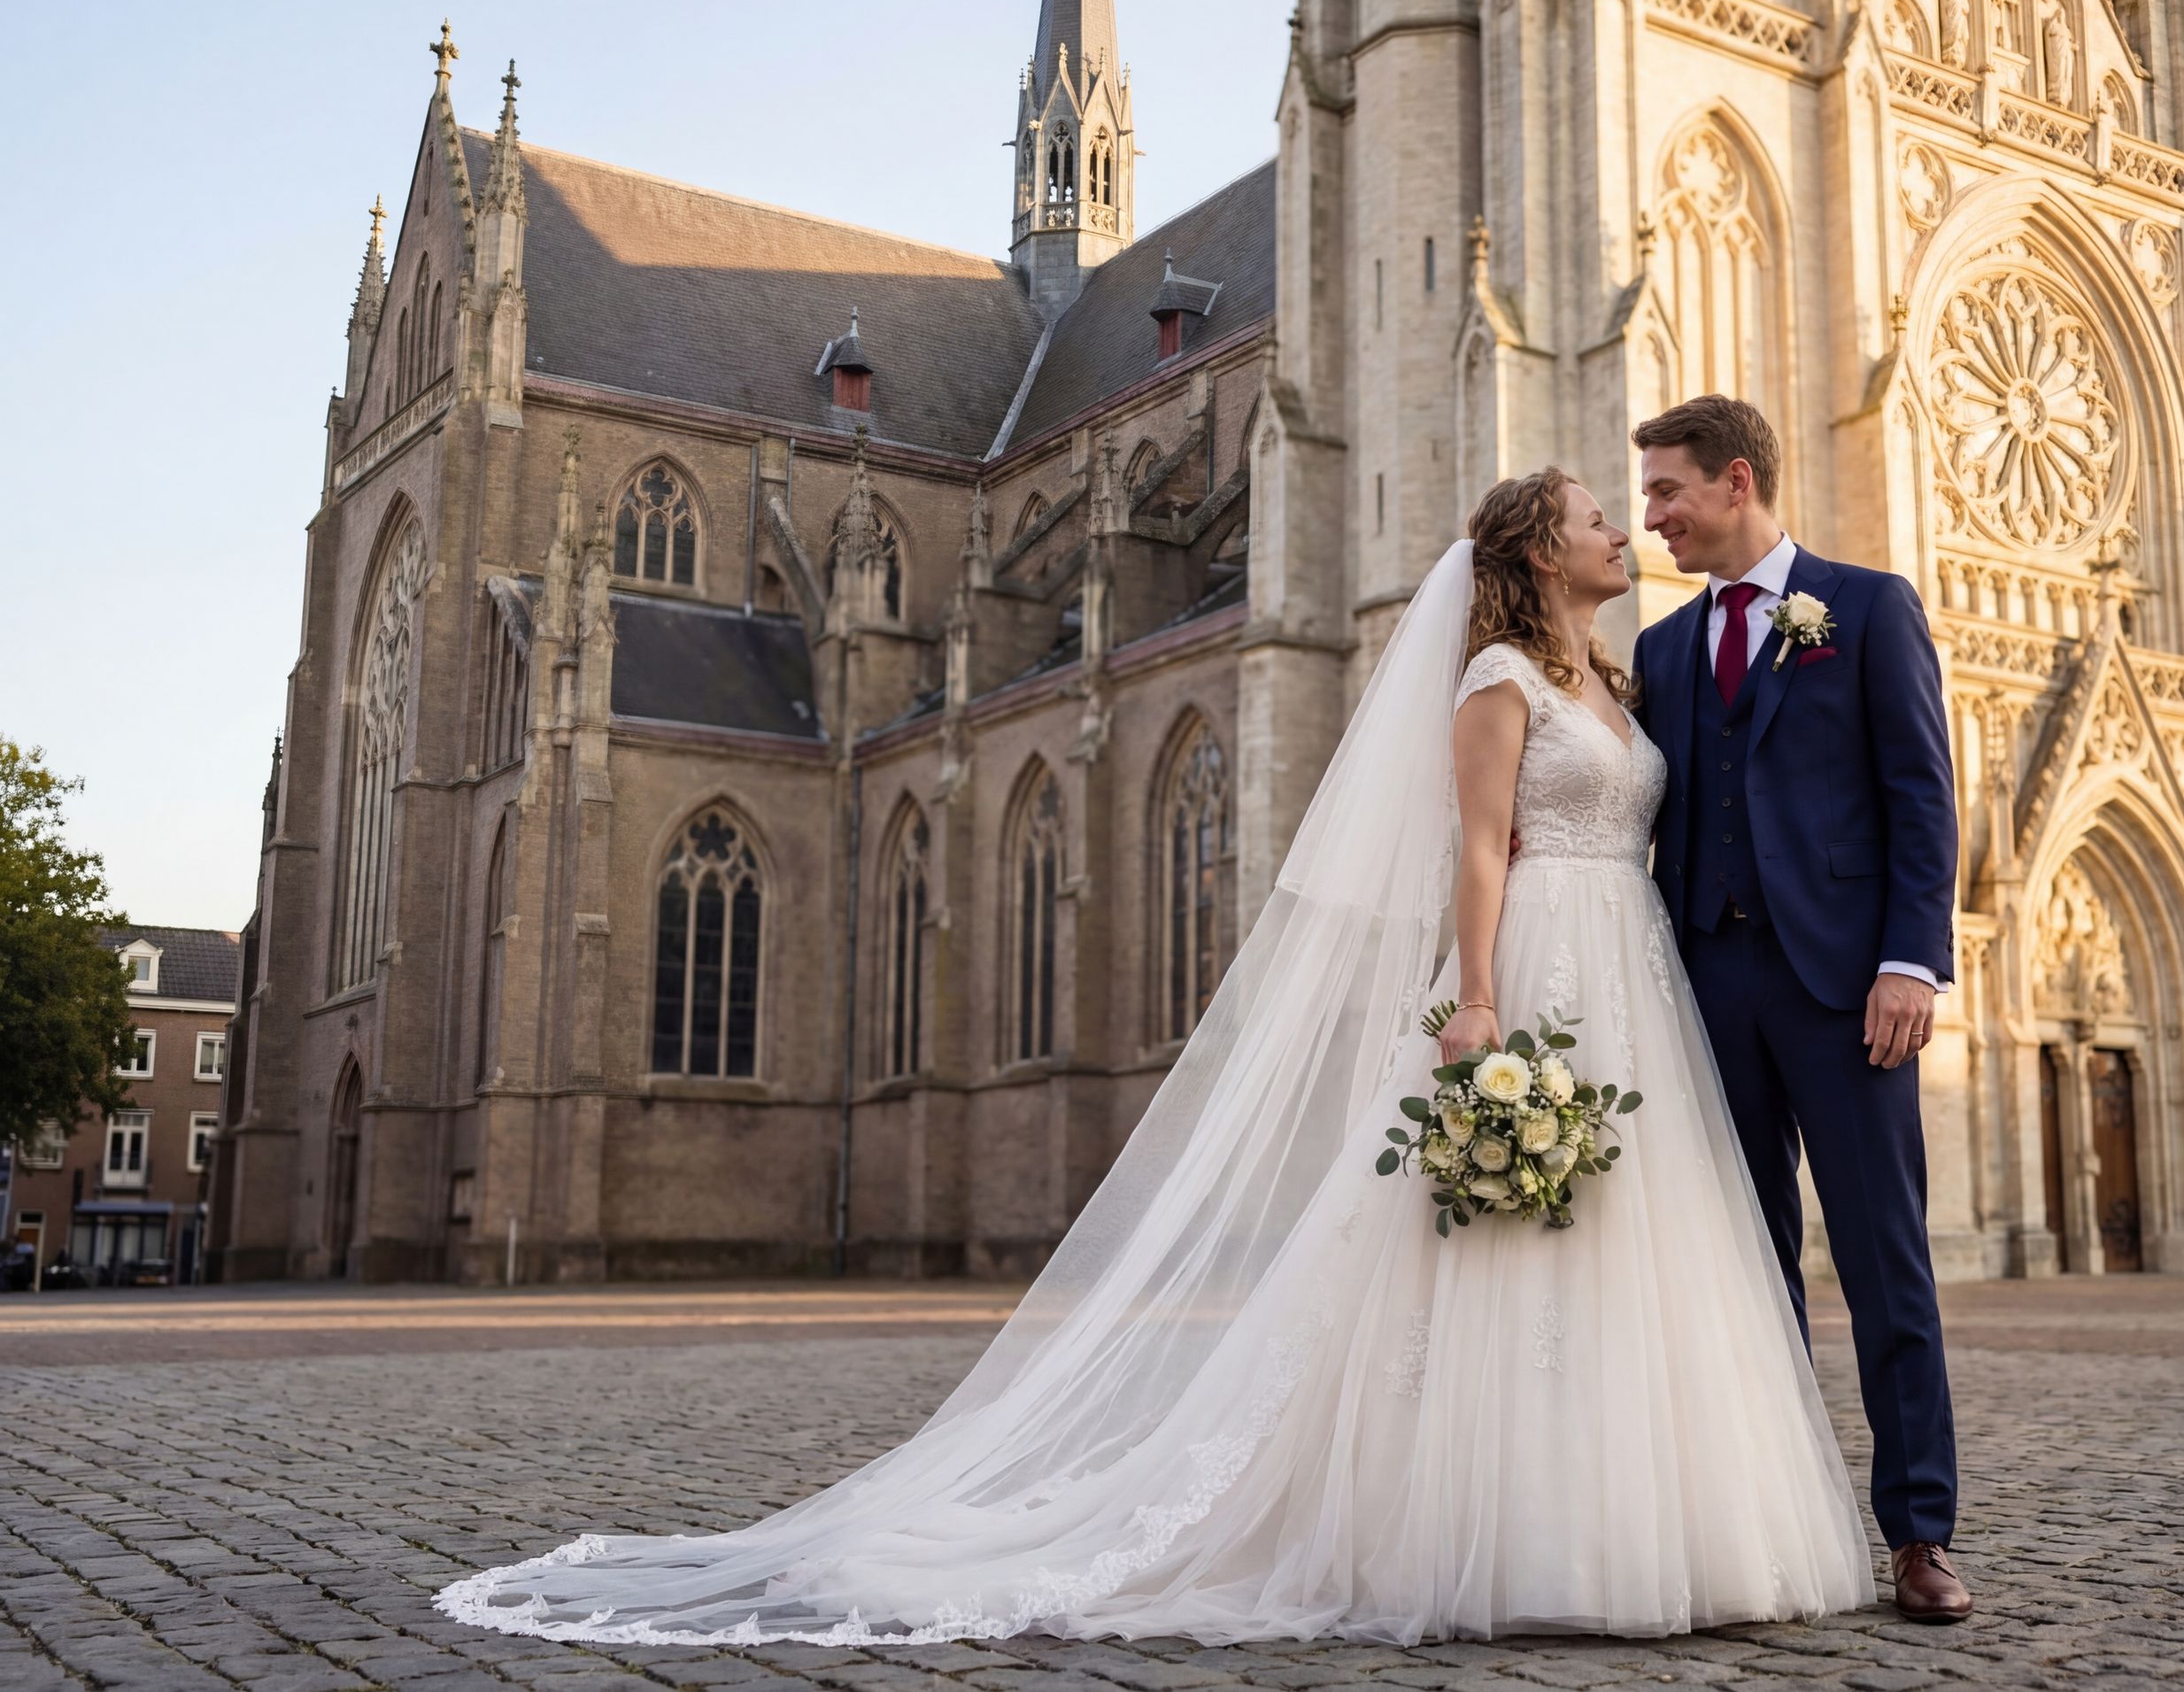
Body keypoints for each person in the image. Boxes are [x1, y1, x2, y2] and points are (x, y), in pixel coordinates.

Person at [436, 469, 1874, 1649]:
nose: (1626, 525)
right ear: (1538, 552)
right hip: (1539, 962)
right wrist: (1477, 996)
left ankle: (1641, 1514)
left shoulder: (1620, 674)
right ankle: (1503, 1528)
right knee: (1498, 1246)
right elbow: (1482, 848)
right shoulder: (1497, 674)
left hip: (1633, 976)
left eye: (1634, 509)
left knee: (1634, 1244)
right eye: (1599, 516)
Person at [1628, 395, 1971, 1623]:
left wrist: (1910, 962)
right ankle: (1779, 1527)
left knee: (1885, 1262)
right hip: (1707, 987)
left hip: (1848, 990)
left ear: (1736, 481)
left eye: (1667, 490)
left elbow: (1922, 796)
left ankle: (1920, 1532)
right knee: (1748, 1266)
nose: (1652, 517)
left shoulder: (1866, 607)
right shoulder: (1663, 649)